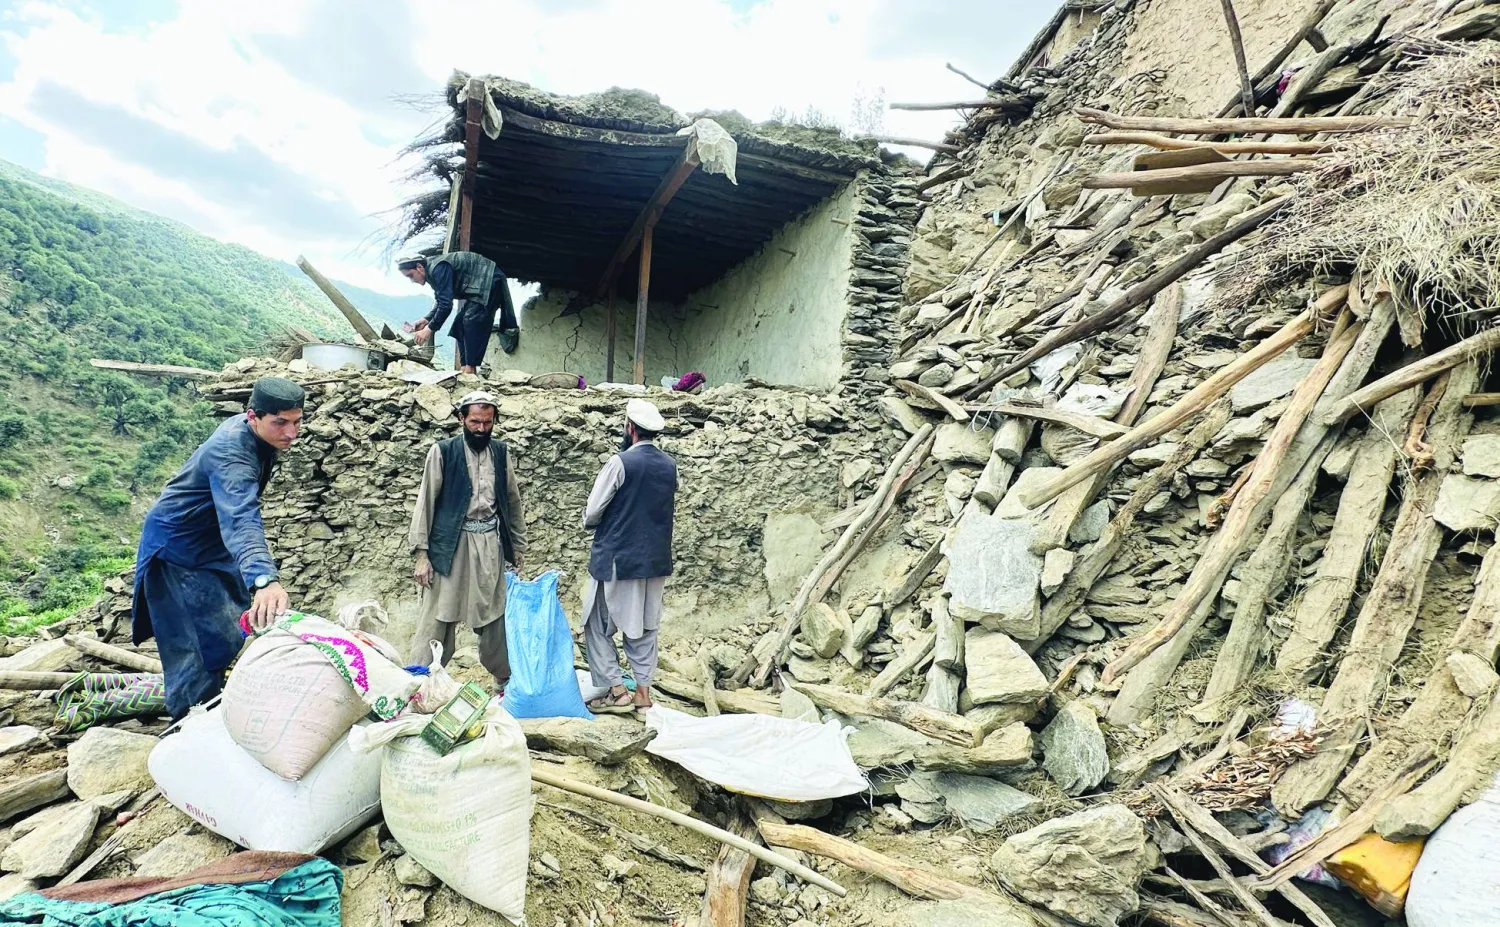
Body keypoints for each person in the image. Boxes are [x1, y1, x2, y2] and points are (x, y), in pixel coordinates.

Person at [132, 377, 304, 720]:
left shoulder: (255, 434)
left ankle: (212, 702)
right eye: (280, 423)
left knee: (226, 632)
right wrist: (264, 580)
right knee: (193, 648)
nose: (291, 433)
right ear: (253, 416)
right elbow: (241, 518)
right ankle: (188, 726)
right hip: (178, 550)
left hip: (210, 546)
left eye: (297, 422)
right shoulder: (231, 454)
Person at [406, 390, 527, 696]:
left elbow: (512, 501)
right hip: (450, 545)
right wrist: (423, 555)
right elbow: (426, 503)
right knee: (438, 616)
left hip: (489, 544)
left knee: (493, 614)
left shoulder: (500, 453)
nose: (481, 429)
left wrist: (519, 546)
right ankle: (421, 682)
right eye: (475, 421)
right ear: (462, 419)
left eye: (487, 422)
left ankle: (505, 681)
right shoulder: (443, 451)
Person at [582, 398, 678, 713]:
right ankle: (643, 695)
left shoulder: (620, 463)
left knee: (597, 625)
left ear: (630, 428)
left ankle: (617, 691)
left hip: (617, 560)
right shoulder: (669, 465)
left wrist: (591, 523)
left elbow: (594, 511)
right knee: (644, 628)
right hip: (654, 562)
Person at [397, 251, 520, 370]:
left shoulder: (438, 268)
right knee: (459, 325)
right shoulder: (432, 271)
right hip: (478, 287)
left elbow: (446, 305)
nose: (412, 281)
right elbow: (441, 300)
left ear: (419, 267)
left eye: (410, 276)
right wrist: (426, 320)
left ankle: (470, 369)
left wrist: (428, 330)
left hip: (489, 279)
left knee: (471, 321)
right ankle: (465, 367)